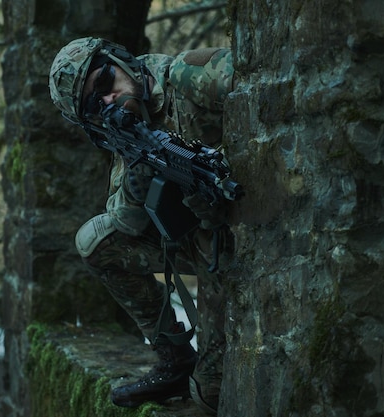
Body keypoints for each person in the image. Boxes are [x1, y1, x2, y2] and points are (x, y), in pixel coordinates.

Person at [48, 37, 236, 414]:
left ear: (120, 61)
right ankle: (173, 358)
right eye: (92, 106)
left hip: (244, 235)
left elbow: (273, 112)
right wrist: (139, 182)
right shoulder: (125, 130)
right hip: (204, 243)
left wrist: (222, 174)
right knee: (96, 240)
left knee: (210, 393)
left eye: (104, 81)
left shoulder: (193, 75)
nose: (106, 99)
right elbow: (127, 224)